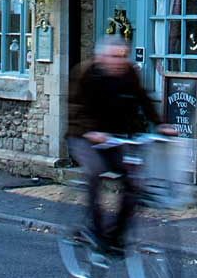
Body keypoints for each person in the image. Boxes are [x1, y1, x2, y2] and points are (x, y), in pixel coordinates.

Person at [67, 36, 170, 254]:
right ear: (101, 57)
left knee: (134, 183)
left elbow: (143, 98)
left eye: (123, 56)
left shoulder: (129, 72)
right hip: (83, 137)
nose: (119, 62)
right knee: (97, 172)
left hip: (115, 137)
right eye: (114, 57)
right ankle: (95, 231)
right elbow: (76, 108)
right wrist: (91, 131)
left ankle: (115, 236)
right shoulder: (85, 73)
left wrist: (160, 125)